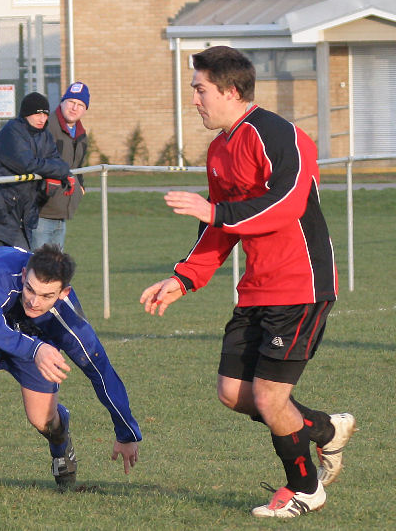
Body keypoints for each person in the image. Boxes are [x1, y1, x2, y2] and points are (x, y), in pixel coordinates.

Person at [139, 45, 356, 519]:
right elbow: (218, 228)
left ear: (231, 90)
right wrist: (184, 278)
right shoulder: (220, 149)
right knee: (233, 393)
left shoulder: (281, 136)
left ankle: (305, 489)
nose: (194, 100)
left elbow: (287, 205)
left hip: (302, 284)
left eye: (200, 90)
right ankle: (325, 430)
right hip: (257, 288)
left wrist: (215, 211)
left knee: (269, 397)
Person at [0, 244, 141, 498]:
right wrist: (35, 350)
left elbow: (100, 369)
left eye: (47, 296)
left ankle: (61, 445)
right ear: (25, 273)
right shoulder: (1, 272)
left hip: (31, 334)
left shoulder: (67, 319)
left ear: (63, 293)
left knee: (42, 419)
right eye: (29, 289)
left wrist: (126, 432)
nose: (34, 301)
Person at [0, 92, 71, 256]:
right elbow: (27, 164)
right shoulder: (12, 131)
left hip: (14, 213)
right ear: (26, 114)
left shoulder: (45, 136)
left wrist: (61, 172)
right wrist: (62, 171)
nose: (42, 118)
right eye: (37, 113)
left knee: (22, 263)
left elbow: (56, 161)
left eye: (45, 114)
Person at [31, 82, 89, 250]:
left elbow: (78, 167)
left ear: (85, 110)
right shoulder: (47, 126)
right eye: (71, 102)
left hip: (61, 211)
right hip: (41, 212)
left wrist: (80, 188)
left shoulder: (81, 134)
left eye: (80, 105)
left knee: (56, 267)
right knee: (37, 266)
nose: (74, 108)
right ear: (62, 102)